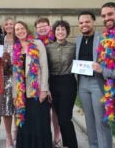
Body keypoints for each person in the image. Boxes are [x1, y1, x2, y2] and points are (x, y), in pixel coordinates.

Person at [75, 11, 112, 148]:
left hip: (98, 82)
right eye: (81, 22)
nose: (84, 25)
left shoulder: (103, 38)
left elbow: (111, 60)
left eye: (87, 22)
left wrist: (101, 67)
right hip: (83, 83)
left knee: (101, 120)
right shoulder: (78, 39)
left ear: (94, 22)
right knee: (89, 120)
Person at [13, 21, 52, 148]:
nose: (20, 31)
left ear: (27, 29)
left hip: (36, 89)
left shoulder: (37, 43)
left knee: (39, 121)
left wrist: (44, 89)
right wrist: (15, 94)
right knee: (25, 122)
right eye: (17, 29)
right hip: (21, 92)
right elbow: (15, 74)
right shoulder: (16, 47)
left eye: (22, 28)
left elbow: (44, 67)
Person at [92, 2, 115, 148]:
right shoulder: (106, 37)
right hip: (114, 95)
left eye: (110, 14)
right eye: (104, 16)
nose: (106, 18)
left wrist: (103, 71)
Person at [46, 20, 78, 148]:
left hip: (68, 82)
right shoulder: (48, 48)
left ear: (67, 32)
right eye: (58, 29)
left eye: (63, 29)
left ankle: (71, 145)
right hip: (53, 83)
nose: (60, 32)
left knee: (65, 118)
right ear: (54, 32)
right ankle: (65, 144)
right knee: (60, 118)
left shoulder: (74, 47)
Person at [34, 17, 61, 147]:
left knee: (56, 110)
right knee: (44, 110)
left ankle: (57, 135)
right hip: (41, 79)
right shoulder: (34, 42)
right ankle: (47, 134)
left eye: (44, 25)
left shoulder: (56, 39)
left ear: (49, 27)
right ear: (36, 29)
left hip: (56, 78)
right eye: (39, 27)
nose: (42, 28)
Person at [1, 17, 17, 148]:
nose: (9, 26)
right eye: (7, 24)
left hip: (19, 78)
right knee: (6, 108)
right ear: (4, 26)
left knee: (19, 106)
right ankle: (8, 136)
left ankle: (17, 131)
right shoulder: (0, 40)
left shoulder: (20, 40)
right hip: (5, 79)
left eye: (11, 24)